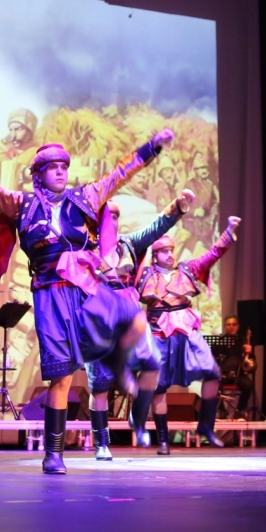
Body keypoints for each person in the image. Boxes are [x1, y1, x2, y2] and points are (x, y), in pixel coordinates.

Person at [0, 122, 173, 474]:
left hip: (86, 290)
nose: (60, 172)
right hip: (50, 293)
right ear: (38, 173)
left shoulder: (84, 197)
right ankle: (53, 454)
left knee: (131, 321)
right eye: (52, 167)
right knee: (61, 376)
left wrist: (153, 146)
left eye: (64, 167)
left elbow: (121, 173)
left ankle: (129, 380)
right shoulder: (21, 204)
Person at [83, 190, 193, 460]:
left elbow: (156, 228)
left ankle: (138, 414)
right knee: (100, 387)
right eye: (108, 215)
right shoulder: (85, 249)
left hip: (128, 317)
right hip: (99, 320)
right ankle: (101, 444)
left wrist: (177, 207)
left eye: (116, 216)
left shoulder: (128, 244)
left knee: (152, 365)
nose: (113, 220)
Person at [139, 217, 241, 454]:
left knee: (213, 372)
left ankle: (206, 426)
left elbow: (213, 254)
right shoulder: (146, 276)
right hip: (159, 335)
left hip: (187, 332)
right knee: (158, 388)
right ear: (155, 255)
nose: (169, 255)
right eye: (164, 251)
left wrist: (229, 231)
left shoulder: (186, 270)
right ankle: (163, 440)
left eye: (171, 250)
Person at [215, 315, 255, 423]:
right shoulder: (220, 341)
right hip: (224, 374)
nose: (231, 327)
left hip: (239, 374)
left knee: (248, 384)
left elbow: (252, 361)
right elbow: (213, 358)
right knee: (212, 384)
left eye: (234, 324)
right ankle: (222, 412)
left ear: (238, 326)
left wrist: (250, 352)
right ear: (225, 326)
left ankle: (240, 411)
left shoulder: (244, 341)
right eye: (229, 324)